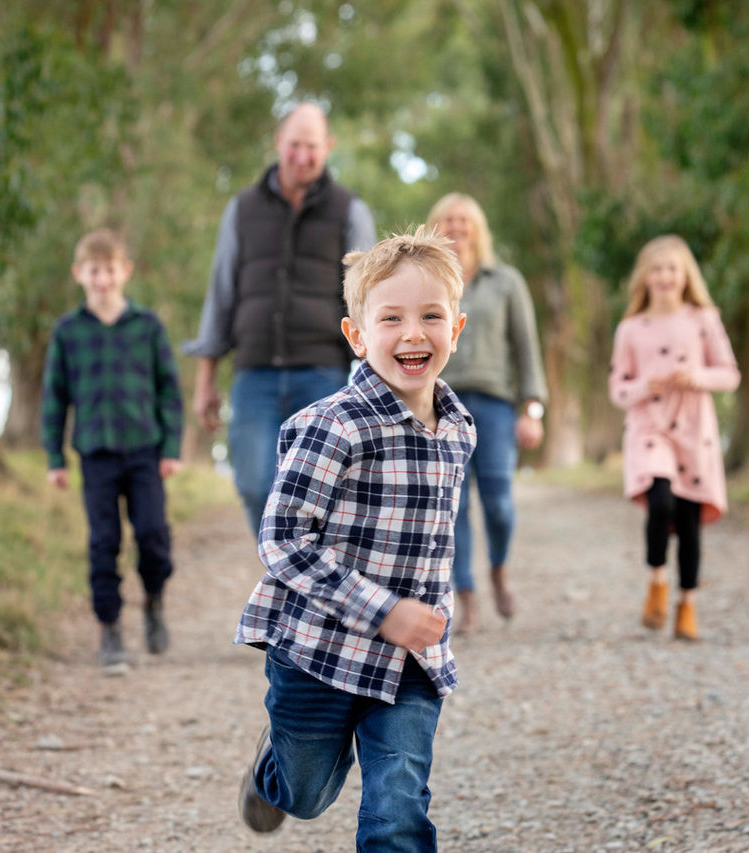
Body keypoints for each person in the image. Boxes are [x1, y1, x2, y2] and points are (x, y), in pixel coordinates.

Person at [233, 228, 475, 849]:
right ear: (357, 334)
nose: (413, 333)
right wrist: (382, 609)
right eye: (391, 318)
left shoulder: (458, 431)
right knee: (308, 792)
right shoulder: (329, 428)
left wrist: (420, 615)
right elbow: (283, 540)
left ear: (458, 327)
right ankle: (274, 773)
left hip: (410, 663)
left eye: (431, 316)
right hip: (321, 652)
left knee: (399, 804)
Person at [181, 102, 377, 537]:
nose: (302, 156)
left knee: (320, 494)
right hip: (254, 377)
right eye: (294, 145)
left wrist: (375, 378)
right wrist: (205, 382)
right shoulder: (242, 208)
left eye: (312, 146)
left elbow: (369, 298)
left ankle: (307, 587)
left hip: (323, 375)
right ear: (278, 143)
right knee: (254, 485)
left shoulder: (351, 209)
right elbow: (221, 293)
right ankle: (287, 576)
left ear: (328, 147)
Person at [41, 228, 184, 670]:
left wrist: (171, 448)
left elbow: (168, 391)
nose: (102, 280)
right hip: (95, 454)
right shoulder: (68, 332)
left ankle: (155, 600)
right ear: (79, 274)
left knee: (151, 536)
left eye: (109, 271)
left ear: (125, 272)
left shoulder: (147, 326)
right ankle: (110, 630)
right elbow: (54, 397)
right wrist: (55, 458)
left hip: (144, 450)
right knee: (104, 541)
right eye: (93, 271)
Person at [607, 235, 740, 642]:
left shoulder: (703, 319)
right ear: (644, 277)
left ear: (685, 276)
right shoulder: (630, 328)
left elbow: (729, 374)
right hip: (650, 427)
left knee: (689, 519)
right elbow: (618, 387)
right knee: (659, 498)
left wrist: (696, 377)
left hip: (693, 428)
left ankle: (687, 605)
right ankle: (657, 580)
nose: (664, 276)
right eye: (657, 268)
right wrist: (646, 385)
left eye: (672, 268)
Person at [426, 193, 547, 634]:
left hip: (495, 406)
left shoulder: (507, 281)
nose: (456, 228)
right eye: (447, 220)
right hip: (440, 404)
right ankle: (466, 595)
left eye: (464, 220)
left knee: (498, 503)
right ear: (435, 228)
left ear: (478, 228)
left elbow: (527, 350)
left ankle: (498, 569)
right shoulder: (428, 281)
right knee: (451, 507)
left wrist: (532, 409)